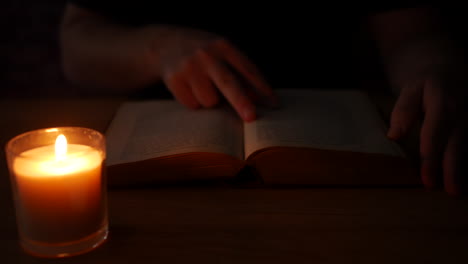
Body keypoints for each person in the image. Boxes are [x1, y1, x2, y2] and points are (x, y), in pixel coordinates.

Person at [59, 1, 467, 195]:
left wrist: (436, 71)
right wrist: (158, 48)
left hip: (348, 175)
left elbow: (413, 33)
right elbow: (76, 43)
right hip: (159, 181)